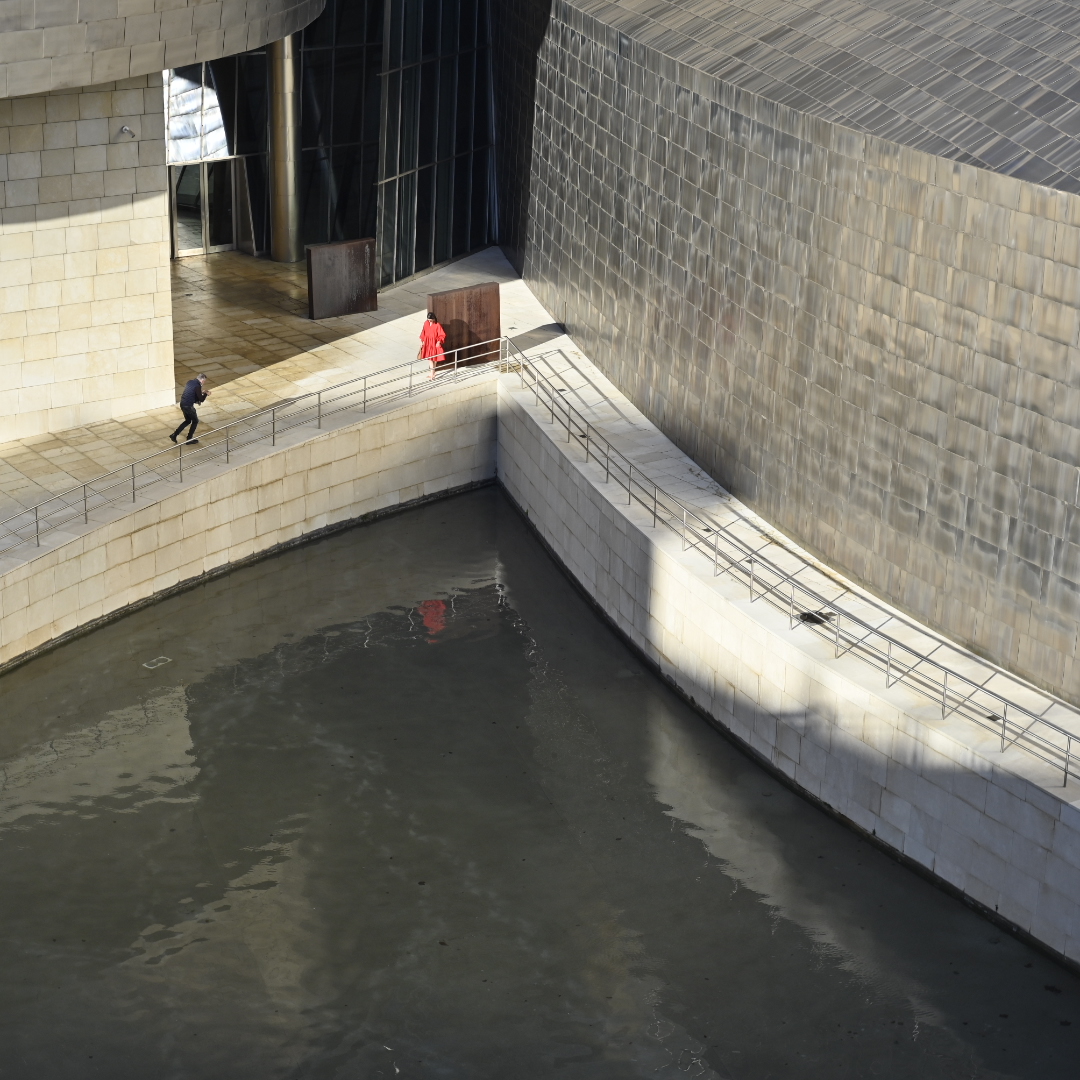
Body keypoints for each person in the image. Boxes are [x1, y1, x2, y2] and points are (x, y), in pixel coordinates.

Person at [170, 374, 210, 444]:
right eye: (204, 381)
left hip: (183, 404)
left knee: (188, 421)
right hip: (188, 406)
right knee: (195, 421)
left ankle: (174, 435)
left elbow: (192, 393)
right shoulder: (197, 386)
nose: (204, 383)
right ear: (202, 380)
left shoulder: (190, 382)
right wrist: (206, 394)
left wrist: (202, 392)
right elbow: (201, 399)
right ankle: (189, 439)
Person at [418, 312, 447, 378]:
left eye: (430, 320)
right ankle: (432, 373)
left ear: (434, 319)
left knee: (435, 358)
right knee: (430, 358)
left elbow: (442, 334)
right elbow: (423, 332)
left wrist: (439, 341)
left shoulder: (437, 325)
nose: (429, 321)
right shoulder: (426, 323)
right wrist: (422, 341)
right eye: (428, 320)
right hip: (428, 343)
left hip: (435, 343)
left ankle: (433, 372)